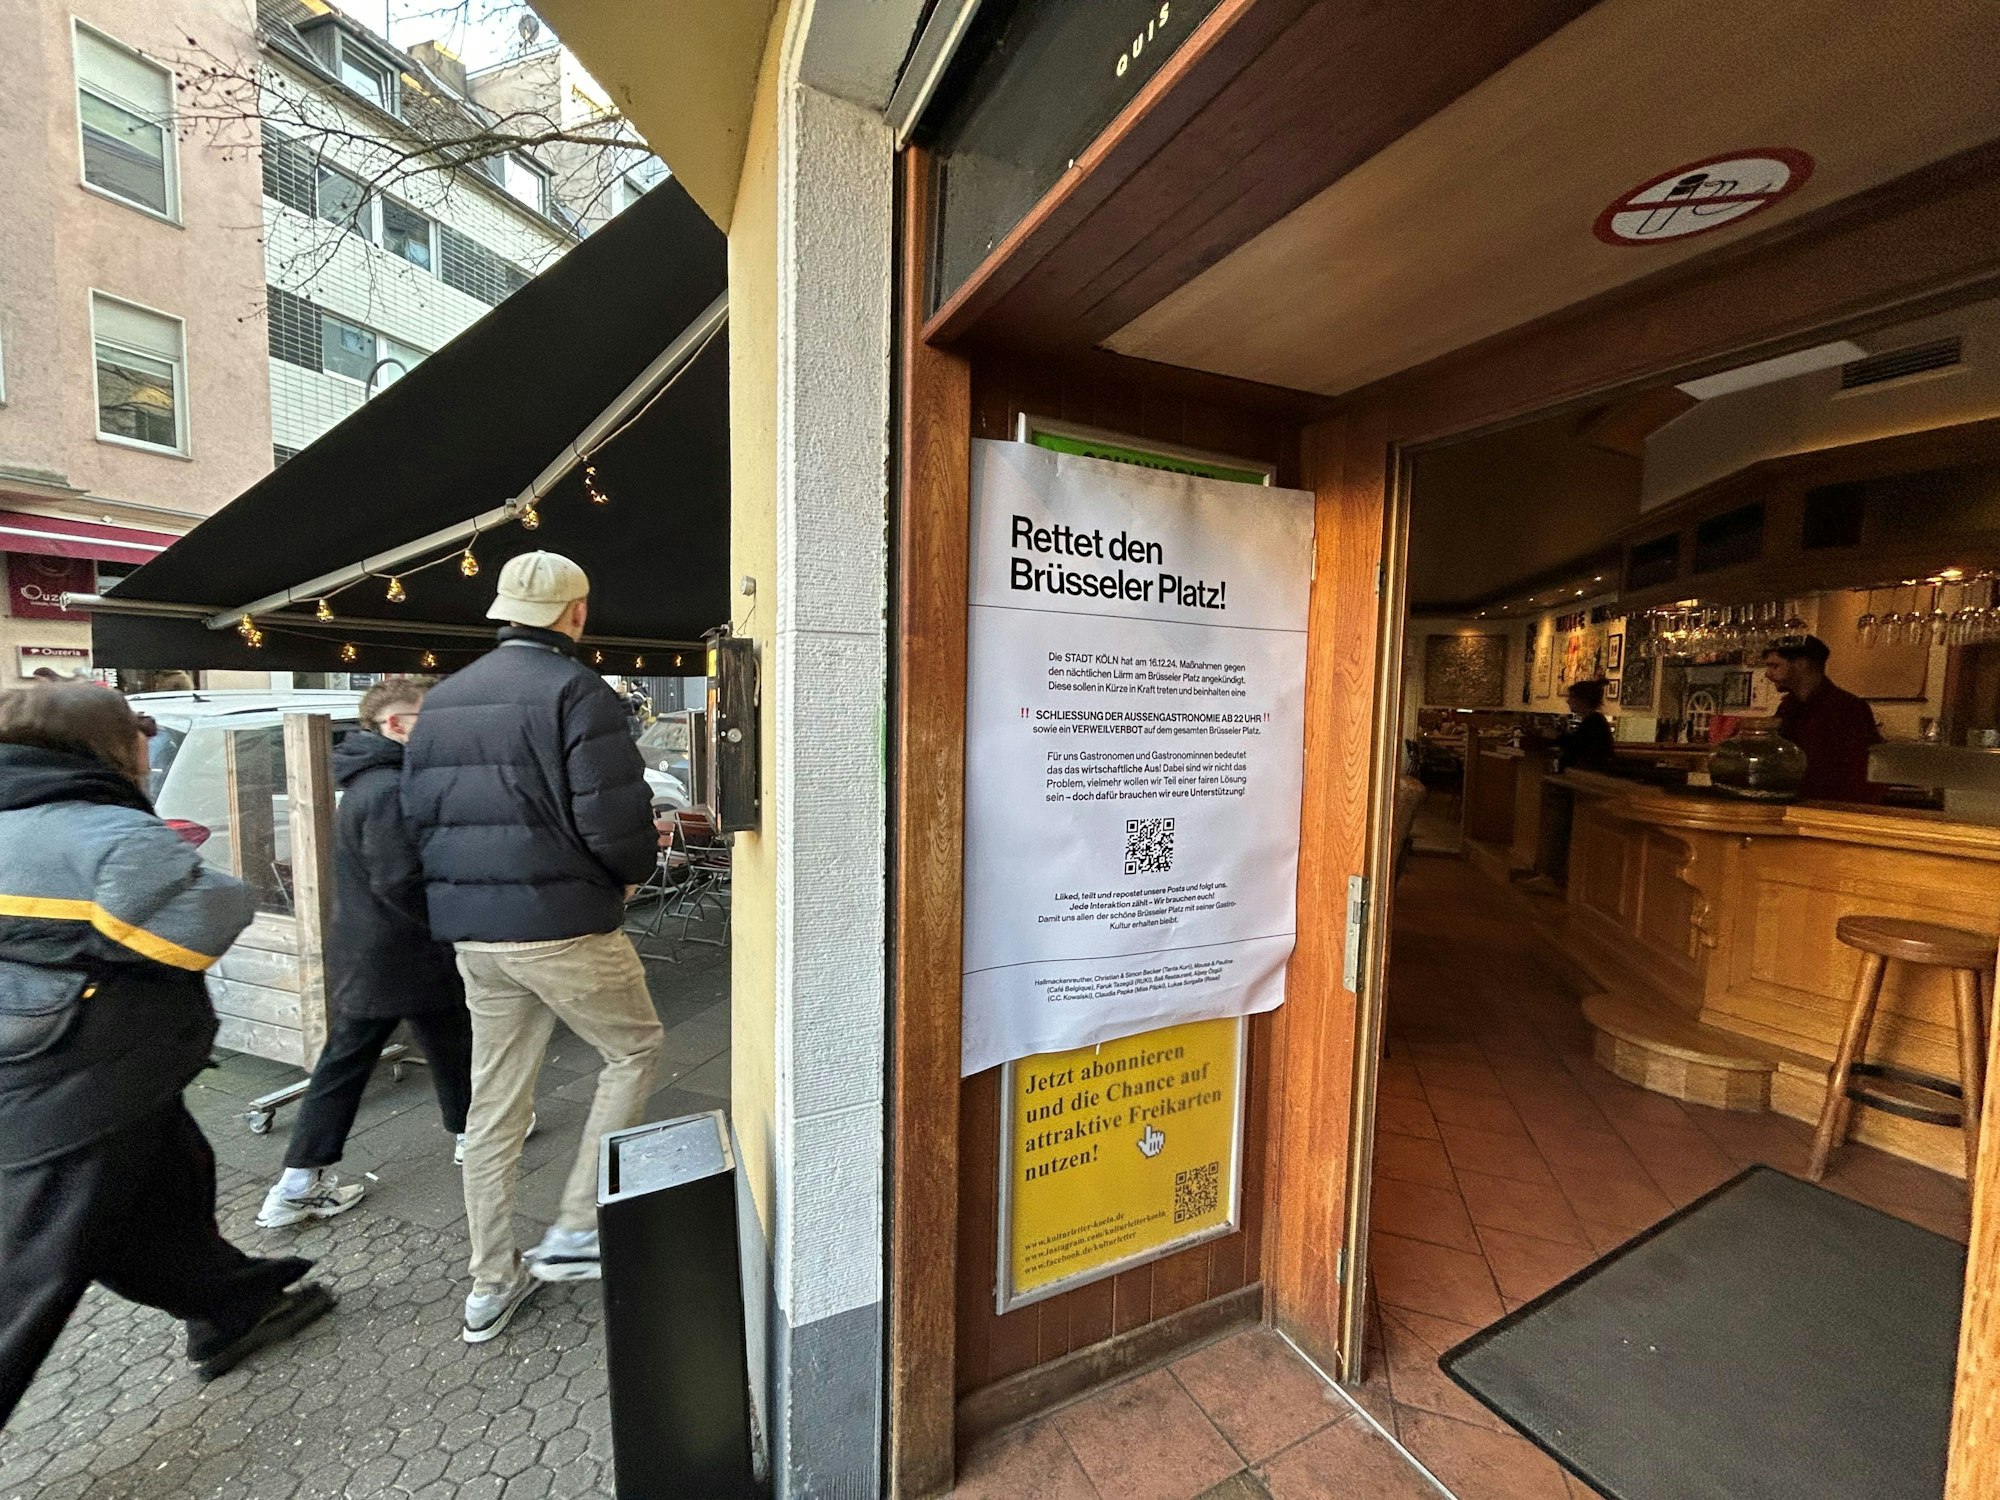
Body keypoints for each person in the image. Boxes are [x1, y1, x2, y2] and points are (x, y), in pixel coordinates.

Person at [0, 685, 333, 1426]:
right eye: (140, 738)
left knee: (170, 1189)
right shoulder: (111, 833)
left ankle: (232, 1307)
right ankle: (230, 1307)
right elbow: (198, 927)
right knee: (29, 1269)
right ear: (110, 746)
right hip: (79, 1077)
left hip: (83, 1064)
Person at [401, 552, 663, 1344]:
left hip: (473, 936)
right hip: (563, 925)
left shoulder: (441, 700)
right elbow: (617, 824)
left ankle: (489, 1282)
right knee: (636, 1052)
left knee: (494, 1103)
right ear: (576, 614)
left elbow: (420, 818)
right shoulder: (579, 692)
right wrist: (627, 880)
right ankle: (578, 1223)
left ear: (502, 610)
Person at [256, 678, 478, 1230]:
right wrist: (457, 921)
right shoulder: (387, 788)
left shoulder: (377, 781)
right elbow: (400, 879)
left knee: (446, 1042)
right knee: (351, 1063)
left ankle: (468, 1133)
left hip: (383, 951)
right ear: (396, 726)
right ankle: (295, 1185)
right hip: (399, 952)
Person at [1763, 634, 1882, 802]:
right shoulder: (1789, 706)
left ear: (1801, 664)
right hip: (1795, 803)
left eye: (1774, 666)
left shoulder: (1848, 708)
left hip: (1833, 808)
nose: (1768, 674)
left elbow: (1861, 771)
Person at [1556, 679, 1616, 771]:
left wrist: (1557, 736)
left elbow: (1576, 746)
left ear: (1583, 700)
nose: (1568, 701)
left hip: (1590, 774)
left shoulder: (1593, 722)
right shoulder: (1595, 720)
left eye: (1572, 697)